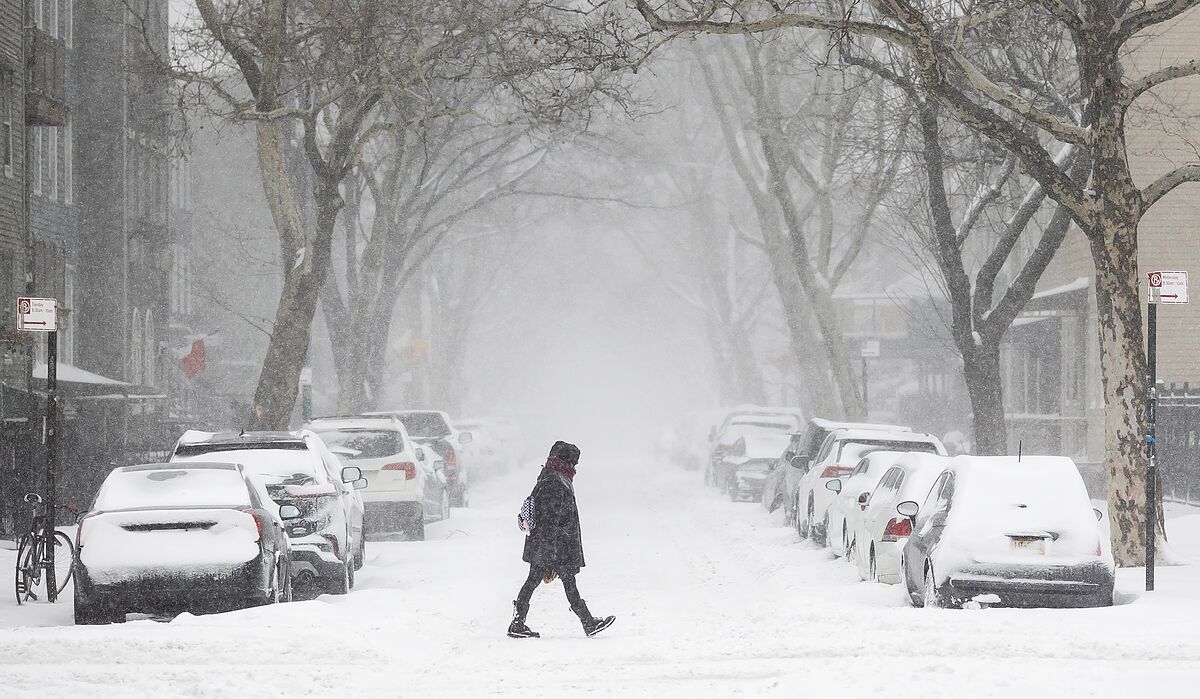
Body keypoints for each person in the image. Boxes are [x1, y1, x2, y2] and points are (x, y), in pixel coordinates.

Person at [508, 440, 615, 639]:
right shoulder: (555, 482)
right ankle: (586, 622)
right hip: (554, 546)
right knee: (545, 582)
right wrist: (550, 555)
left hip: (552, 545)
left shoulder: (552, 477)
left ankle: (519, 622)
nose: (574, 469)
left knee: (547, 582)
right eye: (573, 464)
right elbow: (550, 520)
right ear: (566, 462)